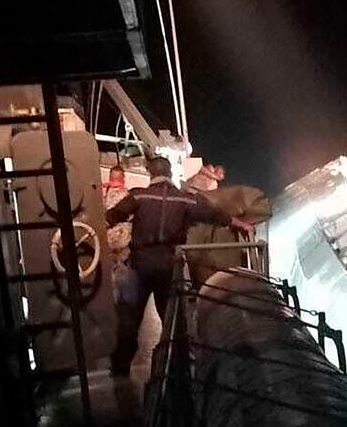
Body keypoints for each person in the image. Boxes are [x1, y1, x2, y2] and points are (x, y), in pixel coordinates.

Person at [105, 156, 253, 376]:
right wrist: (239, 223)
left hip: (139, 265)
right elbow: (213, 214)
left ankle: (120, 368)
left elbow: (112, 216)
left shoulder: (138, 195)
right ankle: (181, 365)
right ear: (170, 174)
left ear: (151, 173)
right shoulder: (185, 199)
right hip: (168, 265)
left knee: (129, 318)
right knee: (173, 318)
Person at [102, 165, 131, 297]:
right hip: (123, 240)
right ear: (123, 178)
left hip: (107, 238)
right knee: (122, 270)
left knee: (109, 270)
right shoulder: (127, 195)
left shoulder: (102, 192)